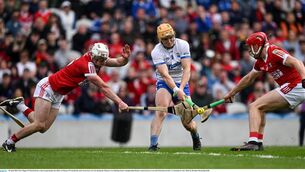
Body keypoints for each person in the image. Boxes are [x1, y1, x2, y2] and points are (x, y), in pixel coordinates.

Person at [1, 42, 131, 152]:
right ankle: (9, 142)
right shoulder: (86, 64)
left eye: (102, 60)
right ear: (92, 55)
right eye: (98, 59)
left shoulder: (97, 59)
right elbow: (103, 87)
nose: (100, 62)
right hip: (49, 88)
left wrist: (125, 58)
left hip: (59, 94)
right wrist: (119, 102)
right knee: (39, 124)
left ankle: (19, 105)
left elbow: (118, 61)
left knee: (42, 127)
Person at [224, 32, 305, 151]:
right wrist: (232, 93)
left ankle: (253, 142)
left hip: (296, 85)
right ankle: (258, 142)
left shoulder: (273, 51)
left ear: (258, 45)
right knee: (261, 108)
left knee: (254, 106)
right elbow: (249, 78)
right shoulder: (261, 61)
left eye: (252, 47)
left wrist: (304, 78)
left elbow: (296, 62)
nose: (250, 51)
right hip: (292, 86)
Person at [149, 23, 210, 151]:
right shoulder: (156, 51)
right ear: (160, 39)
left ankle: (195, 136)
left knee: (187, 123)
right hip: (164, 82)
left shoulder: (183, 44)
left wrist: (181, 88)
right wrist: (176, 90)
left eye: (171, 37)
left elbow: (187, 69)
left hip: (181, 80)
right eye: (165, 39)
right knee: (161, 111)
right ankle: (153, 145)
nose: (169, 41)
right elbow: (165, 75)